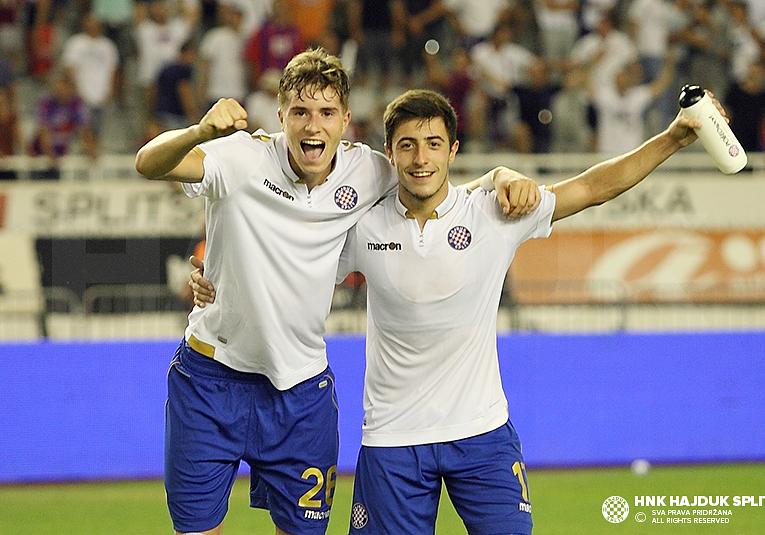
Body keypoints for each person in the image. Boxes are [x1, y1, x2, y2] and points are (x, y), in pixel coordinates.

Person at [189, 87, 725, 534]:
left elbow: (592, 186)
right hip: (393, 441)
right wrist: (215, 279)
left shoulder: (497, 212)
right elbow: (281, 250)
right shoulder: (360, 225)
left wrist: (676, 136)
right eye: (407, 146)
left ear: (452, 150)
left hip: (482, 434)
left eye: (432, 144)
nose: (420, 158)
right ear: (389, 152)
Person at [135, 47, 538, 535]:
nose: (313, 126)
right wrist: (200, 131)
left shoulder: (370, 171)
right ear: (280, 116)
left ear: (346, 120)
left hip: (300, 392)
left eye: (326, 113)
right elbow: (149, 163)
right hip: (210, 379)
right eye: (300, 113)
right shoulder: (240, 157)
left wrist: (501, 175)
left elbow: (437, 183)